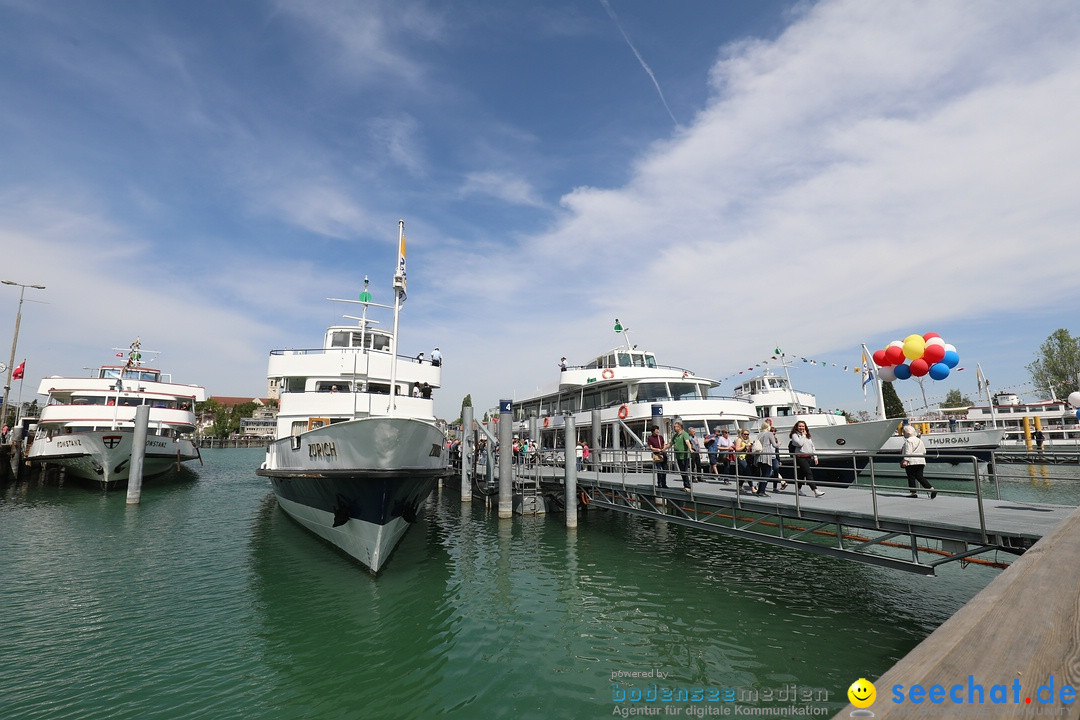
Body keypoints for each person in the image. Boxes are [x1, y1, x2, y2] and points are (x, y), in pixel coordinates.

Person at [788, 421, 824, 497]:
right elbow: (799, 443)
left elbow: (812, 446)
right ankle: (815, 490)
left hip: (808, 457)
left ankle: (798, 490)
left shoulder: (807, 435)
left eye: (803, 426)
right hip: (801, 457)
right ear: (796, 427)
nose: (801, 428)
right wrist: (803, 436)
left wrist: (815, 457)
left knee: (801, 474)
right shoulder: (795, 435)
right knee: (808, 473)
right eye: (800, 426)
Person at [900, 425, 936, 498]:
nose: (903, 434)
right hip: (921, 461)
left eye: (904, 432)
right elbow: (924, 451)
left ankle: (913, 493)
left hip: (912, 462)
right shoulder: (919, 440)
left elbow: (908, 452)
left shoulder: (909, 441)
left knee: (911, 477)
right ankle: (931, 489)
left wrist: (905, 460)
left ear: (907, 433)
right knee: (920, 476)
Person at [755, 421, 786, 494]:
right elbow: (775, 445)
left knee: (763, 474)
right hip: (766, 455)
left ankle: (759, 490)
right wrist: (779, 444)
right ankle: (762, 491)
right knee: (767, 474)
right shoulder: (769, 434)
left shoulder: (759, 434)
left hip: (759, 455)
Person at [665, 421, 693, 490]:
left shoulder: (684, 434)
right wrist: (663, 449)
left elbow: (687, 442)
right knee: (682, 471)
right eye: (674, 427)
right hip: (678, 456)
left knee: (684, 471)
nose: (674, 428)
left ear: (679, 427)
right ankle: (685, 485)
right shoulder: (675, 435)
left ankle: (688, 486)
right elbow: (670, 444)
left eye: (675, 427)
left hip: (684, 456)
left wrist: (690, 449)